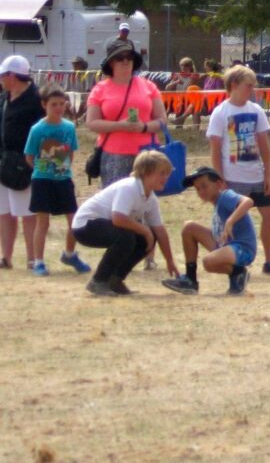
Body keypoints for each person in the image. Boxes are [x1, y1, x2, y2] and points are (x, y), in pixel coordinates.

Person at [206, 66, 270, 277]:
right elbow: (215, 149)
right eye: (249, 85)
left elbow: (264, 145)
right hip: (233, 177)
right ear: (234, 85)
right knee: (233, 220)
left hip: (256, 175)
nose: (252, 89)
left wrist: (267, 175)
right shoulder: (221, 112)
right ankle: (231, 260)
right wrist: (219, 179)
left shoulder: (256, 110)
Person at [71, 149, 174, 296]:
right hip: (85, 226)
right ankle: (98, 281)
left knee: (144, 239)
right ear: (145, 172)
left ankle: (115, 280)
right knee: (127, 237)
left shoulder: (151, 199)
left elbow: (160, 230)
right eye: (161, 173)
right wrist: (144, 230)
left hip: (104, 226)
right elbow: (118, 218)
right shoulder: (129, 187)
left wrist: (170, 261)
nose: (165, 177)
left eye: (167, 173)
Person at [160, 167, 256, 296]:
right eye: (197, 188)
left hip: (242, 248)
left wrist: (230, 221)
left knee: (208, 262)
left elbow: (248, 201)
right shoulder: (217, 203)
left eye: (204, 186)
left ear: (218, 184)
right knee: (189, 227)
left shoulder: (225, 196)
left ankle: (238, 273)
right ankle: (190, 279)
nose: (201, 191)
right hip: (227, 245)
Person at [85, 40, 168, 185]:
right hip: (113, 154)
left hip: (147, 154)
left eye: (129, 57)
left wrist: (144, 127)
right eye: (119, 58)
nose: (125, 61)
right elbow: (91, 123)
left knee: (144, 202)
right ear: (111, 63)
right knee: (116, 203)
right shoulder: (100, 89)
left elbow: (162, 120)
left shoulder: (149, 86)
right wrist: (120, 125)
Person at [25, 89, 85, 276]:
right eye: (54, 104)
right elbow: (29, 156)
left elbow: (72, 151)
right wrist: (43, 168)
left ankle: (69, 254)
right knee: (43, 222)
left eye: (62, 103)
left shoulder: (69, 127)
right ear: (44, 105)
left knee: (74, 220)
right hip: (42, 180)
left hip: (63, 179)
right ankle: (38, 262)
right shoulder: (37, 129)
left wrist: (63, 168)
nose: (59, 108)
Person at [0, 54, 43, 271]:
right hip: (3, 160)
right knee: (4, 212)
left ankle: (32, 258)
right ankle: (6, 257)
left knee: (27, 213)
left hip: (24, 162)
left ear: (11, 76)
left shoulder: (36, 100)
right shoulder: (4, 97)